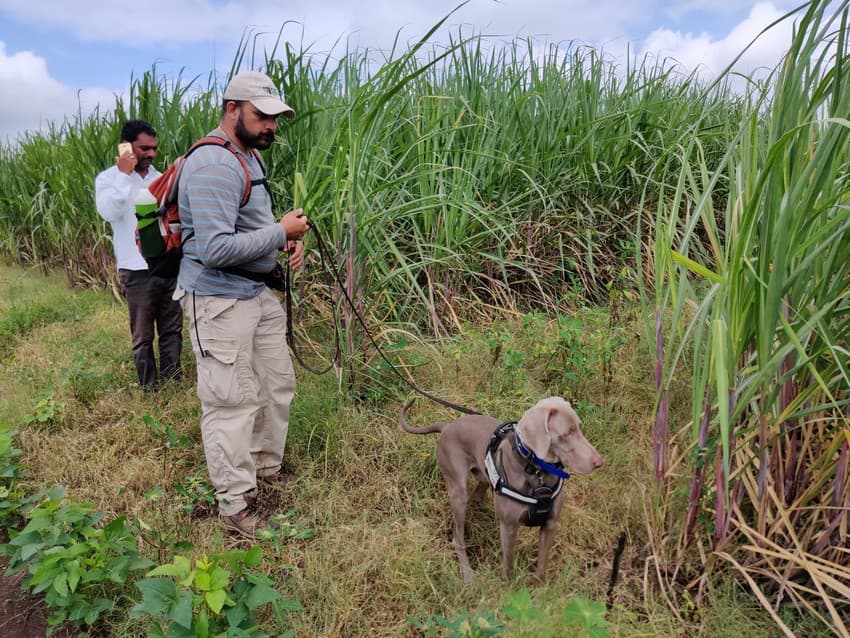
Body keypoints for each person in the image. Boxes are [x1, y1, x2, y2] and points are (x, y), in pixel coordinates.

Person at [173, 71, 310, 538]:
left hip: (253, 292)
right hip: (217, 299)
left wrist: (283, 244)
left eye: (276, 117)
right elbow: (212, 248)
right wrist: (280, 233)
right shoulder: (214, 163)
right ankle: (235, 504)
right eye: (263, 115)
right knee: (230, 400)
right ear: (232, 108)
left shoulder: (246, 154)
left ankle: (264, 469)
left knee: (275, 383)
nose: (271, 125)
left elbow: (246, 226)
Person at [95, 120, 183, 390]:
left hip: (167, 266)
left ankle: (172, 383)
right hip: (135, 269)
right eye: (144, 148)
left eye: (154, 148)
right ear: (127, 147)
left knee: (171, 328)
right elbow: (109, 212)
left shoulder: (160, 179)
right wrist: (124, 175)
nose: (151, 154)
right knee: (143, 335)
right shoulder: (109, 179)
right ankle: (149, 388)